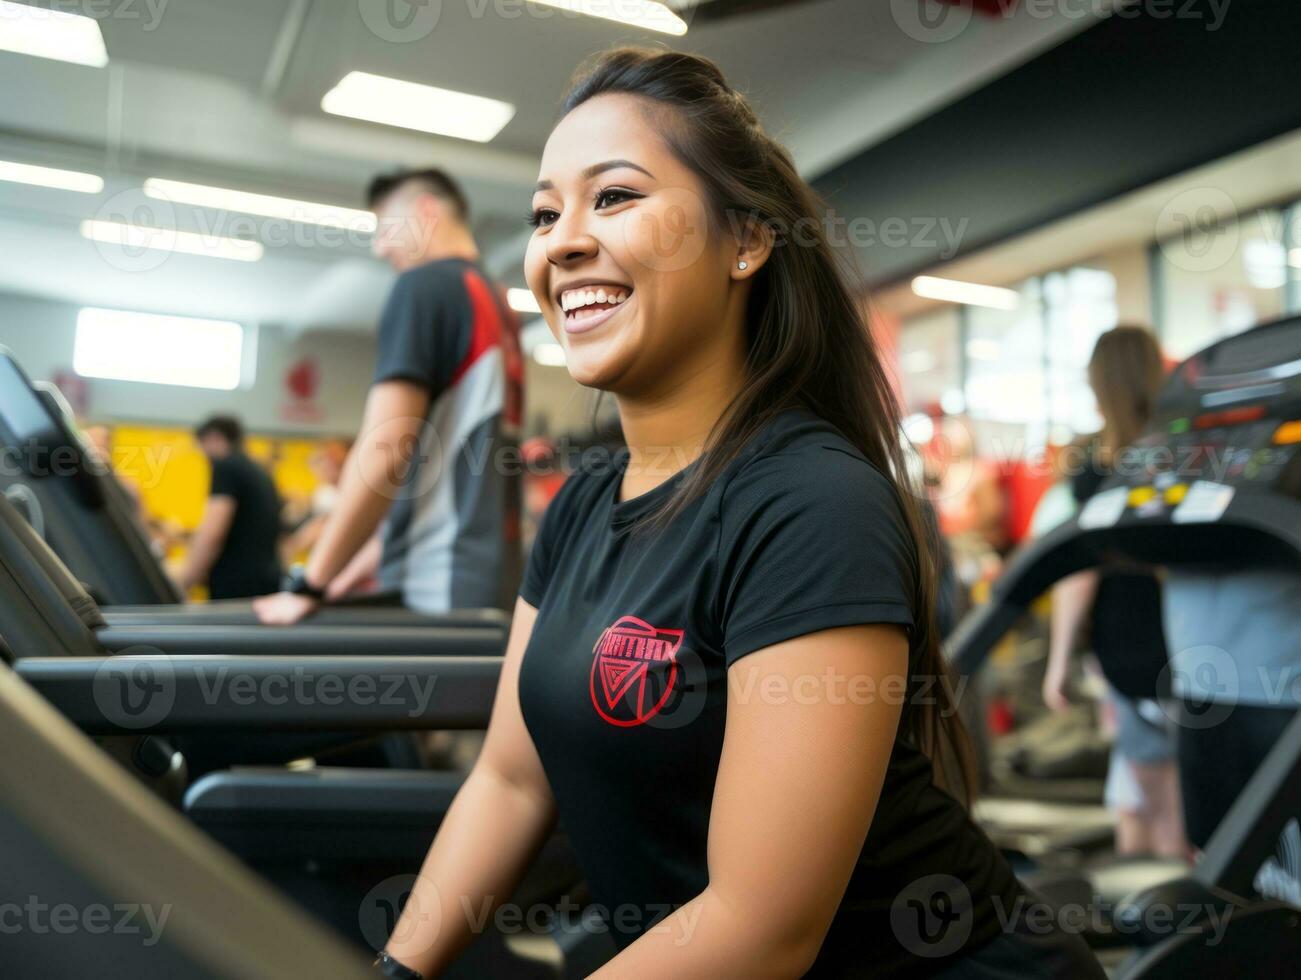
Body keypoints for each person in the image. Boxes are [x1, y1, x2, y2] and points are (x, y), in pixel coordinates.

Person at [373, 48, 1102, 980]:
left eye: (615, 197)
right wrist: (397, 973)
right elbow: (511, 783)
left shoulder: (809, 504)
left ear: (747, 242)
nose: (561, 242)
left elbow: (759, 928)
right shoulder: (586, 505)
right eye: (545, 213)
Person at [254, 168, 523, 624]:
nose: (380, 248)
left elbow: (387, 448)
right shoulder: (494, 300)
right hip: (487, 580)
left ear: (425, 210)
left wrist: (309, 583)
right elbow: (439, 471)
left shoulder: (425, 286)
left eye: (385, 228)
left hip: (436, 585)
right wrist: (352, 568)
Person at [1042, 326, 1186, 859]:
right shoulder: (1184, 453)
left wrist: (1058, 662)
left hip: (1133, 653)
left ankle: (1176, 927)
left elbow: (1079, 574)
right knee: (1141, 793)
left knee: (1160, 802)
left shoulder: (1097, 470)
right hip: (1191, 644)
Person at [175, 415, 282, 601]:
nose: (203, 454)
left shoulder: (225, 466)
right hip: (266, 580)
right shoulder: (259, 471)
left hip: (236, 585)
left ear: (214, 437)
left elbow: (212, 533)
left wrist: (186, 580)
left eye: (202, 445)